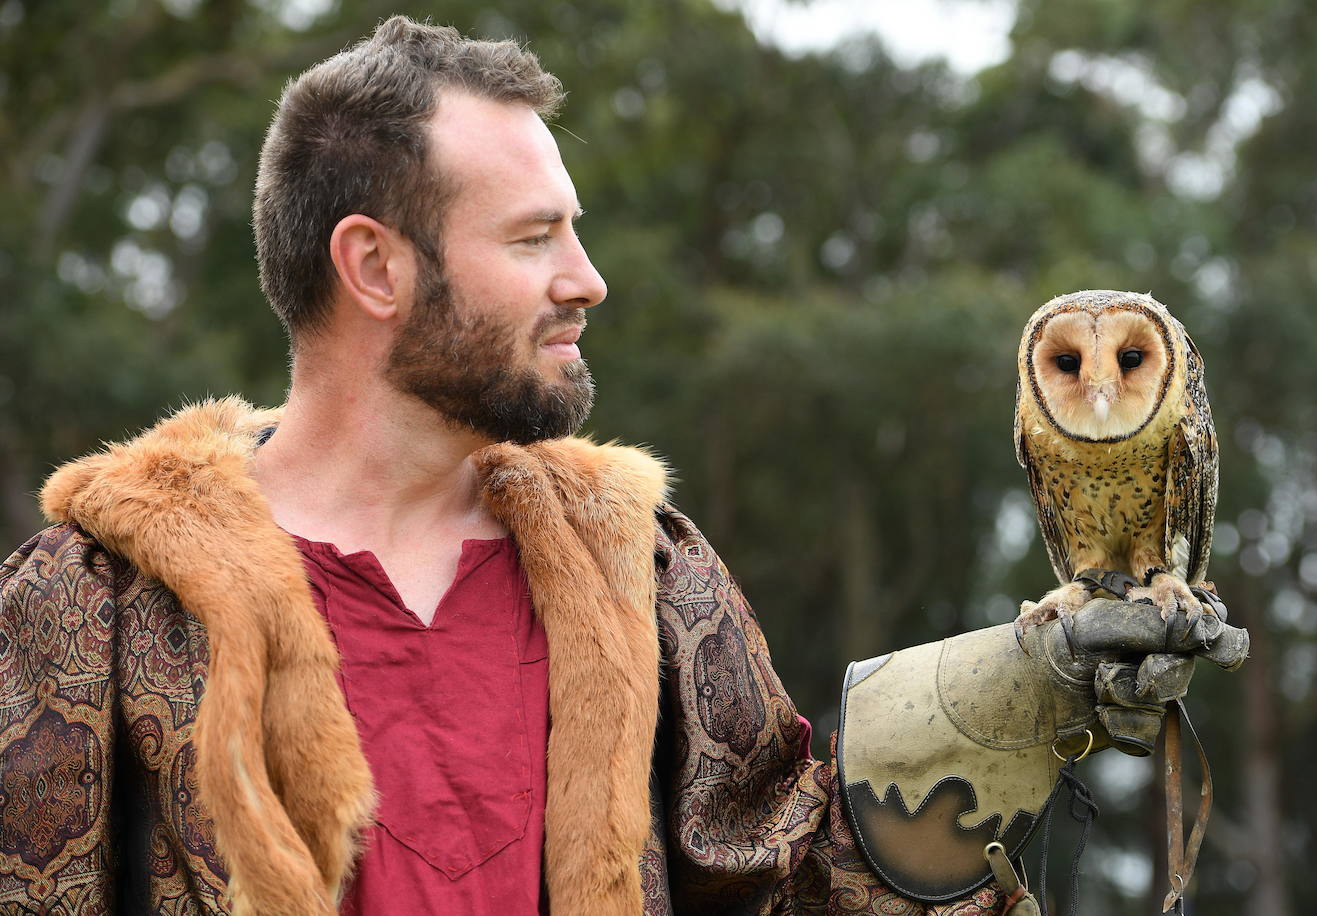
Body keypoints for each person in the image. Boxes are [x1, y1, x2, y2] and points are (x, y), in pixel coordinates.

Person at [0, 16, 1246, 916]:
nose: (587, 278)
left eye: (577, 231)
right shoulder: (97, 608)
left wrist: (1009, 695)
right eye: (537, 235)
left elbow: (796, 881)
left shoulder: (643, 576)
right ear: (375, 267)